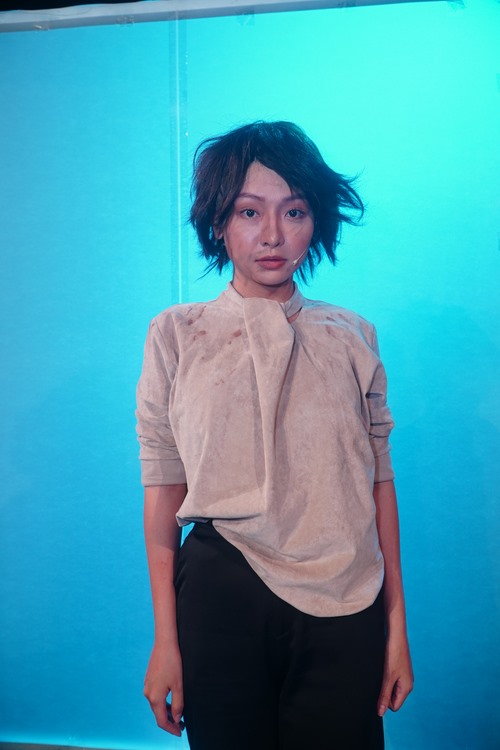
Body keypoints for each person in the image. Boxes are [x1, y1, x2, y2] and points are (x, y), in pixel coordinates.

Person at [136, 121, 413, 750]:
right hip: (220, 592)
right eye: (248, 211)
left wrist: (396, 627)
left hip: (346, 596)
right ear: (217, 223)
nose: (272, 235)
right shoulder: (176, 334)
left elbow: (378, 482)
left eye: (294, 211)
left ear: (316, 222)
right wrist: (165, 641)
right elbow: (162, 487)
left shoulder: (352, 336)